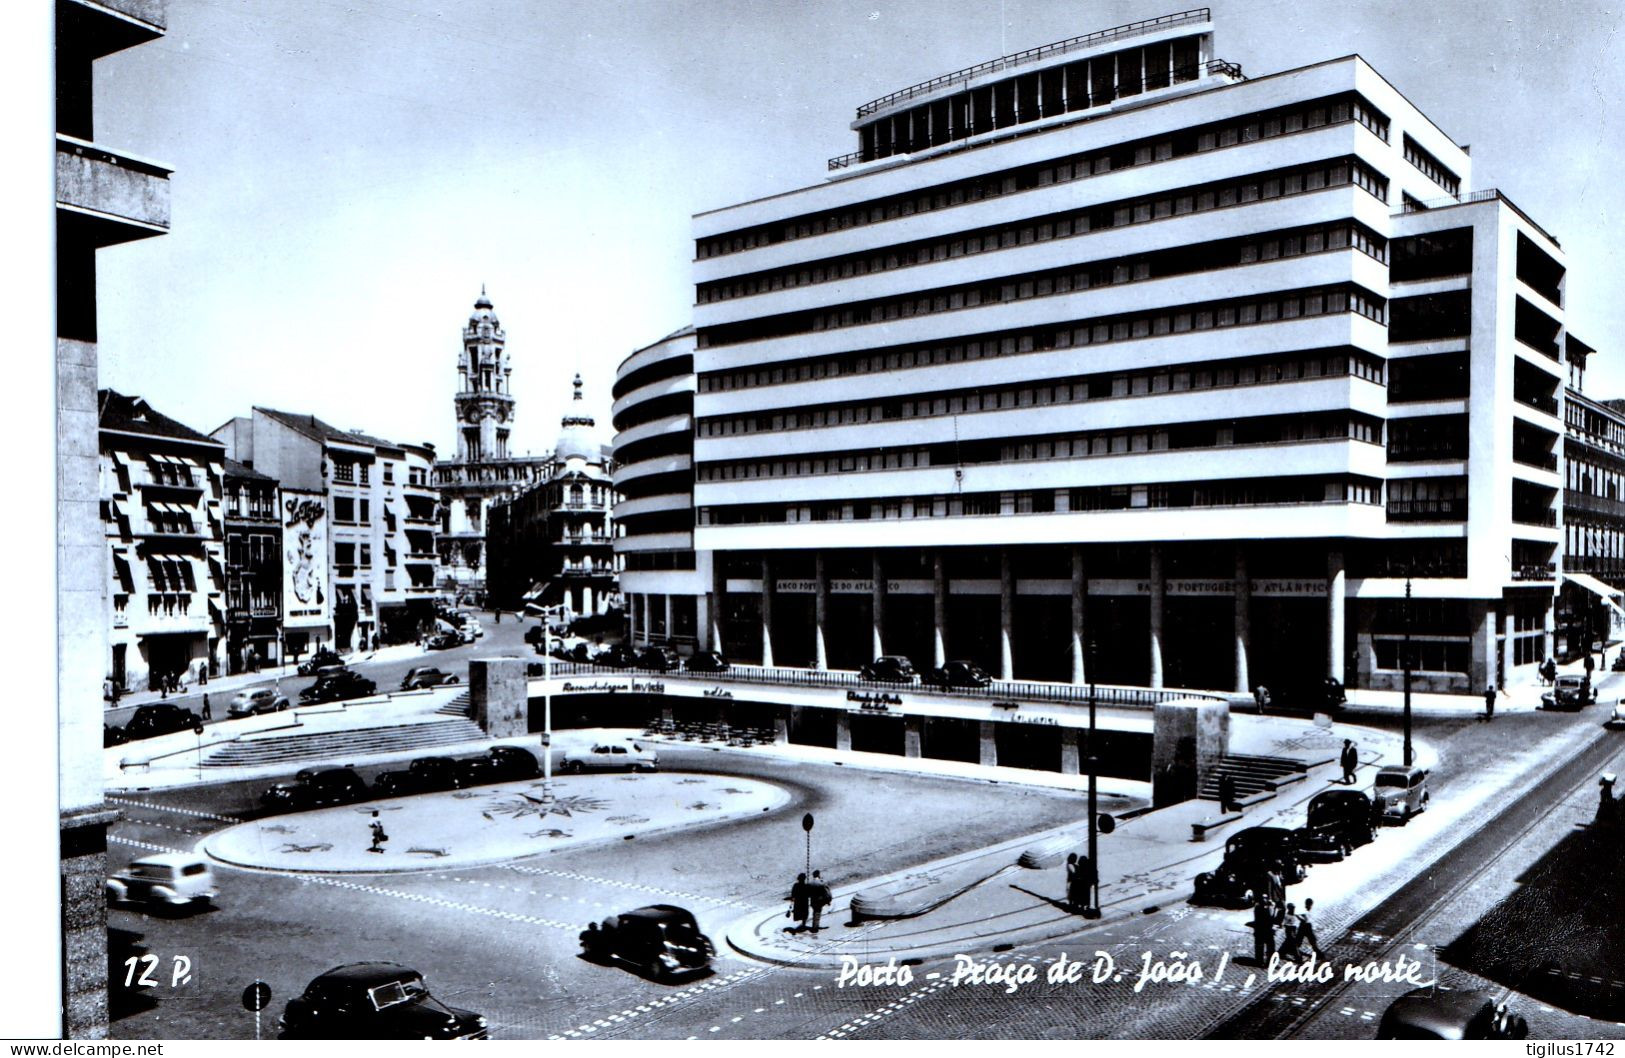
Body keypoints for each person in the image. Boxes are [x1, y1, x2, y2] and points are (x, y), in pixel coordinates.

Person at [1250, 892, 1276, 965]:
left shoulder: (1268, 906)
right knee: (1259, 946)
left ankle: (1270, 961)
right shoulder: (1258, 907)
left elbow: (1272, 917)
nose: (1265, 899)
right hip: (1261, 929)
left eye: (1266, 898)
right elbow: (1268, 917)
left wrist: (1272, 907)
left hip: (1267, 929)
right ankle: (1259, 961)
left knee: (1270, 946)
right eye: (1263, 898)